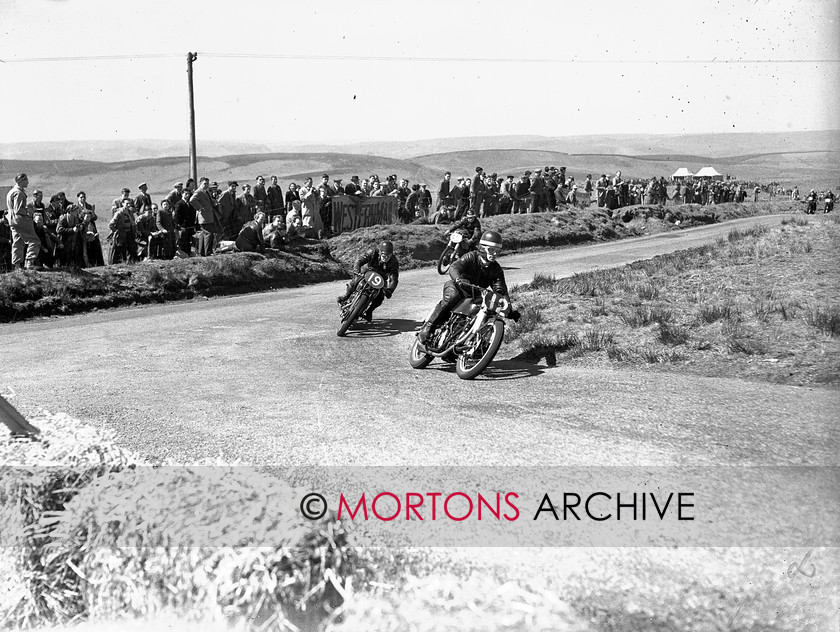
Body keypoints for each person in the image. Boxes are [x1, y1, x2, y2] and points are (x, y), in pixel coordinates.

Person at [417, 230, 519, 343]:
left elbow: (501, 290)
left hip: (474, 294)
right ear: (482, 248)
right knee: (452, 297)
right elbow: (455, 267)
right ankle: (429, 326)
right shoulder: (471, 256)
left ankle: (471, 342)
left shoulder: (496, 269)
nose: (494, 254)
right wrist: (458, 279)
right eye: (492, 250)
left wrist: (508, 308)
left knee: (486, 310)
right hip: (458, 287)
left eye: (497, 251)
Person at [336, 240, 399, 322]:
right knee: (355, 281)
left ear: (392, 254)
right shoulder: (373, 252)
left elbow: (394, 278)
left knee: (380, 298)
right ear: (380, 252)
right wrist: (356, 271)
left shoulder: (394, 262)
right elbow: (359, 260)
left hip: (380, 279)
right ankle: (347, 296)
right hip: (367, 273)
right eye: (384, 254)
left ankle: (369, 311)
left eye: (389, 255)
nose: (386, 257)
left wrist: (390, 290)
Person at [6, 173, 41, 270]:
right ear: (21, 181)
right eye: (26, 180)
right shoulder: (19, 193)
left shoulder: (11, 192)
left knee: (18, 241)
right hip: (20, 219)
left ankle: (17, 266)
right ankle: (30, 262)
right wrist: (28, 211)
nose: (28, 182)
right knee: (34, 240)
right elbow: (18, 210)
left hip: (12, 219)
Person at [190, 177, 218, 256]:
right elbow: (192, 200)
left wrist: (214, 202)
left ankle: (201, 252)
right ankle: (208, 253)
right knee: (209, 233)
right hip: (204, 217)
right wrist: (199, 208)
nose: (206, 185)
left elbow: (207, 200)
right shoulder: (198, 191)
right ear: (200, 184)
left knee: (204, 234)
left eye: (207, 184)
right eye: (205, 184)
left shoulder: (206, 191)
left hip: (208, 216)